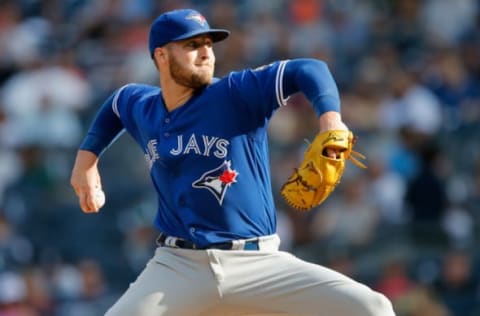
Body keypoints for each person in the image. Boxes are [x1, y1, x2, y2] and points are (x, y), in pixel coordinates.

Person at [70, 8, 396, 316]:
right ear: (161, 55)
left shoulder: (235, 93)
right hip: (178, 265)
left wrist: (331, 121)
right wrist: (86, 162)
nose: (206, 52)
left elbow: (309, 68)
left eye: (208, 44)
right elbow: (115, 106)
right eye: (192, 44)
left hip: (258, 263)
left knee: (373, 308)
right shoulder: (142, 105)